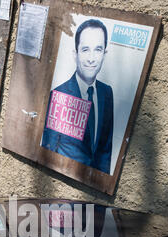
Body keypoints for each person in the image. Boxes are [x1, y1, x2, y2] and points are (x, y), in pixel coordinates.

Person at [42, 19, 114, 174]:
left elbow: (105, 148)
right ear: (75, 54)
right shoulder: (59, 94)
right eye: (85, 49)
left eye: (98, 49)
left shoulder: (106, 92)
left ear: (104, 54)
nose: (91, 58)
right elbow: (49, 150)